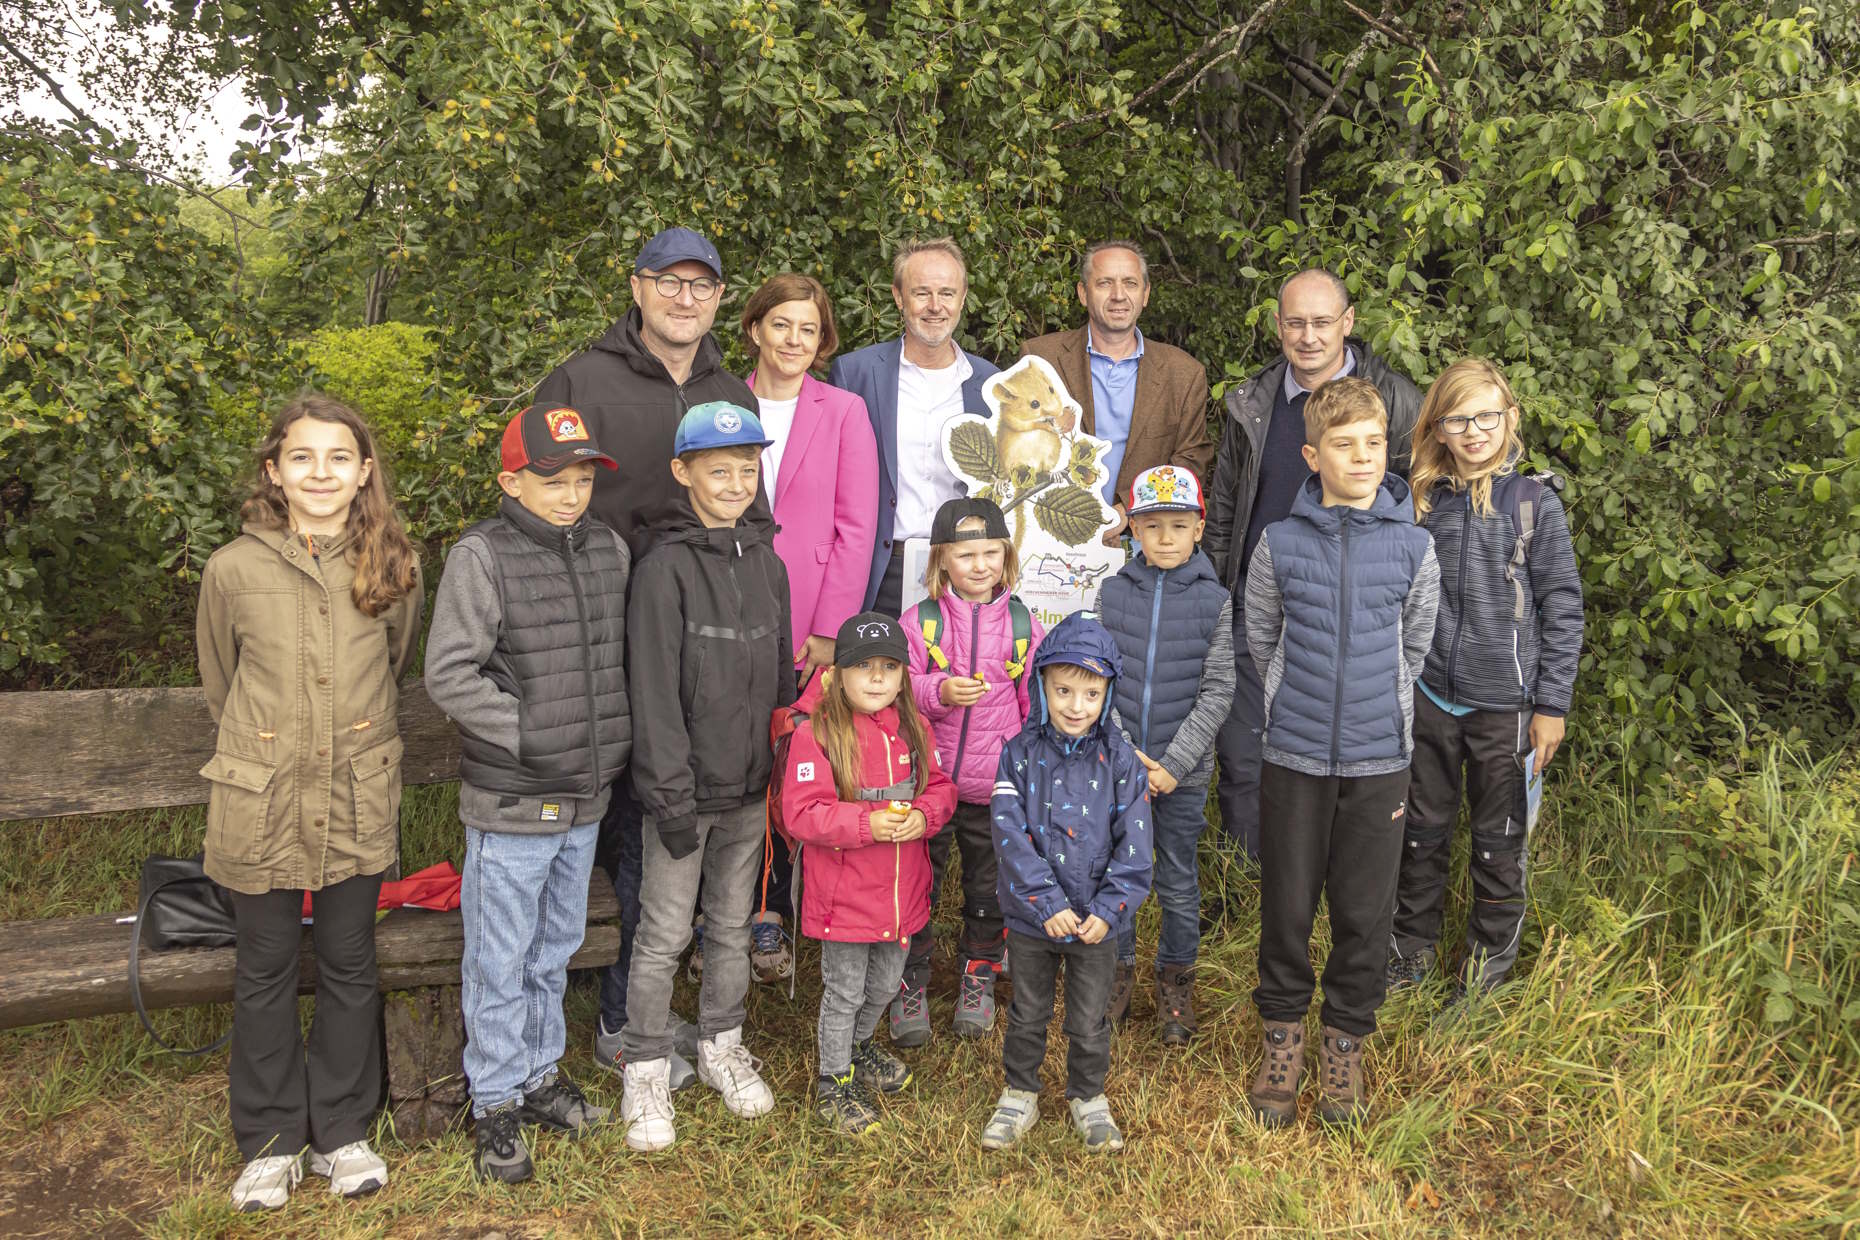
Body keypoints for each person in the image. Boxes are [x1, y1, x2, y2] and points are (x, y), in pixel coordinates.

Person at [535, 226, 758, 1086]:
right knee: (611, 830)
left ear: (718, 299)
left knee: (655, 834)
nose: (684, 298)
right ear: (638, 287)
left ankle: (629, 1017)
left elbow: (752, 521)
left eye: (701, 285)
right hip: (596, 640)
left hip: (694, 653)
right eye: (669, 281)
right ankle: (607, 1019)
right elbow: (540, 500)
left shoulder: (728, 391)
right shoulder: (583, 381)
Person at [197, 394, 422, 1211]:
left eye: (338, 458)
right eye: (302, 457)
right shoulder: (233, 569)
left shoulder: (393, 564)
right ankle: (268, 1141)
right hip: (260, 801)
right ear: (274, 471)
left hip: (356, 795)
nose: (319, 473)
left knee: (348, 959)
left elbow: (393, 667)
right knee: (261, 965)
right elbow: (222, 683)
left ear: (363, 473)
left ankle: (341, 1129)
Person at [423, 402, 633, 1183]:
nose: (571, 494)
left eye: (583, 479)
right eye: (552, 480)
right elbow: (449, 673)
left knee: (554, 950)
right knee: (500, 959)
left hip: (585, 799)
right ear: (511, 481)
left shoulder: (609, 549)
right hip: (514, 804)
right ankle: (495, 1102)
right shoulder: (482, 557)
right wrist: (530, 733)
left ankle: (540, 1077)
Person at [1241, 377, 1439, 1128]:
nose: (1362, 457)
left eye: (1374, 443)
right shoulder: (1280, 544)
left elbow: (1413, 648)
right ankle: (1283, 1039)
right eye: (1345, 444)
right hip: (1293, 756)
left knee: (1363, 911)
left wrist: (1378, 706)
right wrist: (1292, 702)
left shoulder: (1414, 546)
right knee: (1288, 906)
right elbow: (1263, 638)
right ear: (1312, 456)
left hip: (1378, 758)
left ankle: (1345, 1042)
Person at [616, 401, 795, 1152]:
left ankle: (723, 1044)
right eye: (718, 471)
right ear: (683, 472)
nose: (734, 484)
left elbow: (781, 682)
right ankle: (645, 1066)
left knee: (730, 926)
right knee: (662, 934)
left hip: (748, 790)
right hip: (683, 796)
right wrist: (670, 797)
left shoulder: (769, 564)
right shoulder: (663, 570)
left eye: (747, 470)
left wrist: (781, 775)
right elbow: (654, 692)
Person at [1205, 269, 1422, 859]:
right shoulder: (1253, 402)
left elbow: (1418, 504)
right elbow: (1226, 506)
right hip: (1260, 606)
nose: (1308, 336)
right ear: (1278, 326)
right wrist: (1218, 592)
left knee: (1340, 767)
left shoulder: (1396, 401)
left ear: (1347, 323)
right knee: (1245, 753)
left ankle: (1330, 884)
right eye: (1296, 323)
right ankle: (1249, 881)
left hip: (1357, 616)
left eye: (1322, 322)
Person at [1386, 359, 1584, 1001]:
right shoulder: (1418, 503)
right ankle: (1408, 955)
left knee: (1499, 845)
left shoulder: (1533, 503)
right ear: (1436, 427)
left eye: (1486, 417)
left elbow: (1563, 606)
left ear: (1510, 418)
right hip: (1430, 699)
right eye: (1458, 419)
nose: (1474, 432)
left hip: (1509, 708)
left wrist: (1551, 706)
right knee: (1419, 834)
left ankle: (1483, 979)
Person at [741, 272, 881, 983]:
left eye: (808, 329)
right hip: (732, 613)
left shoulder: (844, 410)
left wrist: (833, 631)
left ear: (822, 339)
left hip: (809, 620)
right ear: (755, 329)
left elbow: (858, 526)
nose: (794, 340)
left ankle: (781, 911)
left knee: (794, 759)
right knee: (734, 761)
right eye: (781, 325)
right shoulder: (722, 402)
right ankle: (729, 914)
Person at [981, 612, 1152, 1154]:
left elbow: (1136, 845)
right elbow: (1008, 835)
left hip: (1096, 924)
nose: (1076, 706)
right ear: (1041, 686)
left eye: (1091, 694)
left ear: (1108, 694)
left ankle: (1088, 1095)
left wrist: (1109, 910)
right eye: (1063, 691)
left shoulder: (1122, 760)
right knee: (1027, 1011)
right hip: (1032, 919)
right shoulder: (1017, 754)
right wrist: (1045, 902)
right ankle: (1019, 1093)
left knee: (1089, 1018)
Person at [780, 613, 958, 1133]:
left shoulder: (914, 728)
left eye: (889, 667)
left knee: (883, 985)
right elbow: (802, 812)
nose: (877, 678)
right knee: (845, 992)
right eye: (863, 667)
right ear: (836, 674)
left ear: (904, 675)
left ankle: (859, 1049)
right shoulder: (818, 734)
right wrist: (866, 823)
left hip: (902, 895)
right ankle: (833, 1081)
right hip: (845, 898)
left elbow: (940, 787)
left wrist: (925, 815)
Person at [1092, 466, 1234, 1042]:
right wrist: (1126, 757)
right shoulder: (1111, 594)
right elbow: (1098, 681)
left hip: (1183, 776)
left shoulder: (1215, 601)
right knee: (1117, 872)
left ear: (1199, 528)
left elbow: (1218, 690)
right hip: (1118, 770)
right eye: (1152, 526)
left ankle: (1176, 982)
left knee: (1176, 880)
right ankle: (1117, 970)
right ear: (1134, 530)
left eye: (1179, 525)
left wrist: (1174, 766)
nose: (1166, 538)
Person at [896, 497, 1046, 1044]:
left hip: (994, 790)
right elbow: (898, 689)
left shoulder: (1024, 625)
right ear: (942, 561)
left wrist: (1028, 775)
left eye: (990, 553)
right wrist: (938, 691)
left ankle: (978, 973)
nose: (979, 566)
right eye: (965, 555)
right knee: (917, 885)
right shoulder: (921, 622)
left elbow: (1036, 707)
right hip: (929, 787)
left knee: (989, 888)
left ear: (1006, 556)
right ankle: (908, 979)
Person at [829, 238, 1000, 616]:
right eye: (922, 293)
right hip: (881, 570)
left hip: (965, 571)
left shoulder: (991, 384)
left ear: (963, 298)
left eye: (947, 293)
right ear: (898, 297)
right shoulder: (856, 374)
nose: (935, 306)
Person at [1020, 240, 1215, 545]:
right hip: (1056, 536)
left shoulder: (1184, 373)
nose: (1119, 295)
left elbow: (1190, 461)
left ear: (1145, 294)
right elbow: (1020, 445)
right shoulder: (1040, 359)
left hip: (1145, 542)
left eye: (1130, 283)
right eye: (1105, 283)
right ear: (1083, 293)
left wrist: (1128, 510)